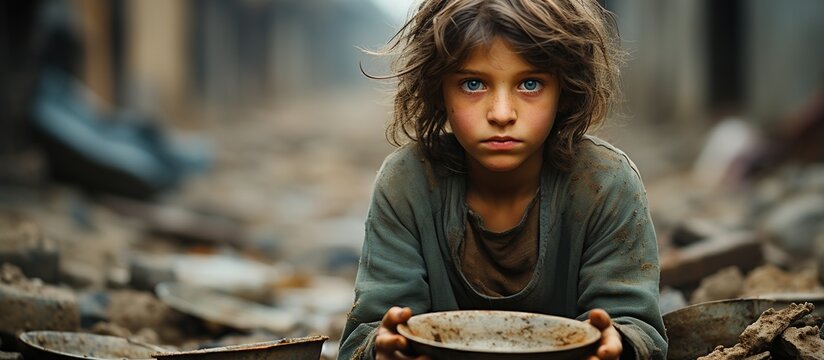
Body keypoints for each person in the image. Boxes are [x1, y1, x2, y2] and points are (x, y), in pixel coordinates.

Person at [339, 0, 667, 359]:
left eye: (530, 83)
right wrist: (384, 349)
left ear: (565, 90)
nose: (501, 114)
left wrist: (617, 345)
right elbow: (367, 333)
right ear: (438, 89)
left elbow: (639, 329)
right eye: (473, 83)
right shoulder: (408, 182)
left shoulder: (604, 183)